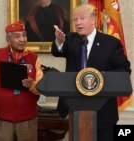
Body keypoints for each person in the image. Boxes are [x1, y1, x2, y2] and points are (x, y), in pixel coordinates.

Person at [51, 4, 131, 141]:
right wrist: (59, 42)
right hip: (75, 107)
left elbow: (124, 70)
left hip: (103, 109)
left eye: (82, 18)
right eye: (75, 19)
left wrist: (100, 78)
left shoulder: (111, 43)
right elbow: (57, 52)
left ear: (93, 19)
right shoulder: (70, 39)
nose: (78, 22)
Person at [0, 21, 43, 141]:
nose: (22, 39)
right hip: (3, 118)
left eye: (24, 35)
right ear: (8, 39)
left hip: (27, 119)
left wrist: (32, 85)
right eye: (17, 36)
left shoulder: (34, 58)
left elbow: (41, 89)